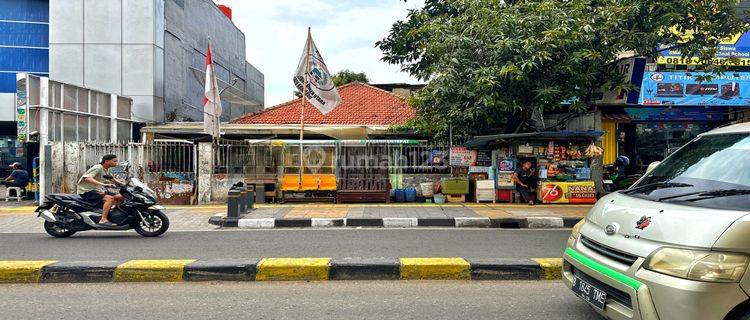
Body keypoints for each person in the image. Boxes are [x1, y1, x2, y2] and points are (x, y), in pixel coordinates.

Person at [77, 154, 124, 227]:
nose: (116, 163)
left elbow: (111, 179)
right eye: (114, 161)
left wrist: (124, 184)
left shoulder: (107, 169)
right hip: (87, 191)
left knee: (121, 196)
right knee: (109, 198)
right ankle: (103, 219)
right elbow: (87, 178)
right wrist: (103, 184)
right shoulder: (98, 167)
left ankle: (113, 215)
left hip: (97, 190)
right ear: (106, 161)